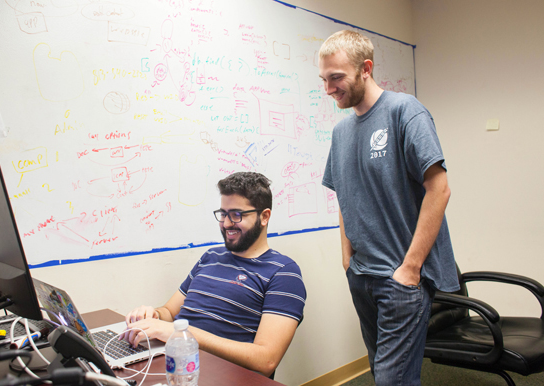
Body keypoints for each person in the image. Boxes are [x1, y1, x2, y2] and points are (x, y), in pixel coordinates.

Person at [319, 30, 459, 386]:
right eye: (324, 79)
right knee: (382, 372)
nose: (329, 89)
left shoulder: (405, 111)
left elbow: (439, 190)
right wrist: (346, 257)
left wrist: (410, 269)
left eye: (337, 78)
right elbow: (343, 194)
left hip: (400, 280)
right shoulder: (341, 132)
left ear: (365, 68)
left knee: (392, 381)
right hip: (362, 276)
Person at [119, 172, 306, 377]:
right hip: (176, 364)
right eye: (223, 214)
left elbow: (266, 359)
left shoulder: (284, 272)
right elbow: (169, 312)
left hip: (221, 376)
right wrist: (153, 315)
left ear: (264, 216)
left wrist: (181, 334)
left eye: (236, 215)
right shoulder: (211, 256)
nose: (226, 224)